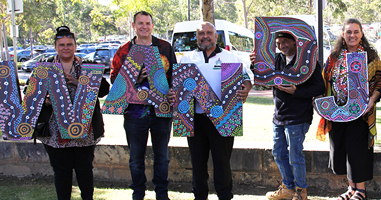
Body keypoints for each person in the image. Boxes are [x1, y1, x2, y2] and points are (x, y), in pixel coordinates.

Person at [168, 22, 252, 200]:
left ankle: (225, 196)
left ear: (216, 36)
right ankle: (199, 196)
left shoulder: (230, 57)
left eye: (208, 33)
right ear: (197, 37)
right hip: (195, 120)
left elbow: (245, 77)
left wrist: (247, 88)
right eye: (201, 33)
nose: (205, 36)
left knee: (222, 163)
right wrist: (173, 94)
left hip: (223, 118)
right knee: (197, 164)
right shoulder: (188, 58)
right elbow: (178, 88)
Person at [249, 32, 325, 200]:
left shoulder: (308, 62)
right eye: (278, 43)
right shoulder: (276, 60)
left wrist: (297, 91)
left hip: (298, 117)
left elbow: (319, 88)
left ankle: (301, 192)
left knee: (295, 156)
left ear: (294, 42)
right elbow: (262, 78)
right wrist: (255, 64)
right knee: (278, 152)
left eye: (285, 42)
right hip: (279, 116)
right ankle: (288, 188)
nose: (281, 45)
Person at [316, 18, 381, 200]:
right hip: (337, 111)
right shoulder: (334, 56)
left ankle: (361, 191)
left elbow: (380, 81)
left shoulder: (371, 57)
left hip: (361, 113)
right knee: (342, 148)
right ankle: (351, 189)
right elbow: (325, 80)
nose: (352, 35)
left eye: (356, 32)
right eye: (348, 32)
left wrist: (372, 99)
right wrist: (323, 104)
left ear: (361, 33)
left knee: (357, 149)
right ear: (343, 34)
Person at [110, 11, 176, 200]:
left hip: (161, 112)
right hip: (134, 114)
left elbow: (175, 78)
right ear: (134, 26)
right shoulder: (124, 50)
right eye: (140, 23)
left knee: (162, 158)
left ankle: (162, 195)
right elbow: (114, 81)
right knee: (136, 159)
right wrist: (134, 78)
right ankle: (138, 194)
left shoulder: (164, 47)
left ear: (152, 26)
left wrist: (173, 91)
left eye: (147, 23)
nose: (144, 26)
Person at [39, 25, 110, 200]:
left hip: (84, 131)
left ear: (75, 46)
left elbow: (103, 90)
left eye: (69, 44)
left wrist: (80, 83)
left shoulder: (87, 66)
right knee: (61, 173)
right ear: (56, 47)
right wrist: (45, 99)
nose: (65, 48)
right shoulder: (45, 66)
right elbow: (31, 94)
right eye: (61, 44)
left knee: (84, 170)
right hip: (55, 133)